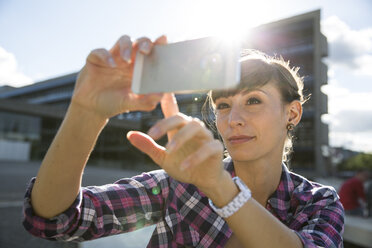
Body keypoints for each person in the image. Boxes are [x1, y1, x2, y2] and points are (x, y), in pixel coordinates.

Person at [22, 35, 344, 247]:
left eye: (254, 101)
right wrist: (86, 111)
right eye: (223, 106)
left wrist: (219, 186)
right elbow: (56, 218)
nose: (234, 120)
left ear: (293, 113)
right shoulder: (181, 183)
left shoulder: (318, 202)